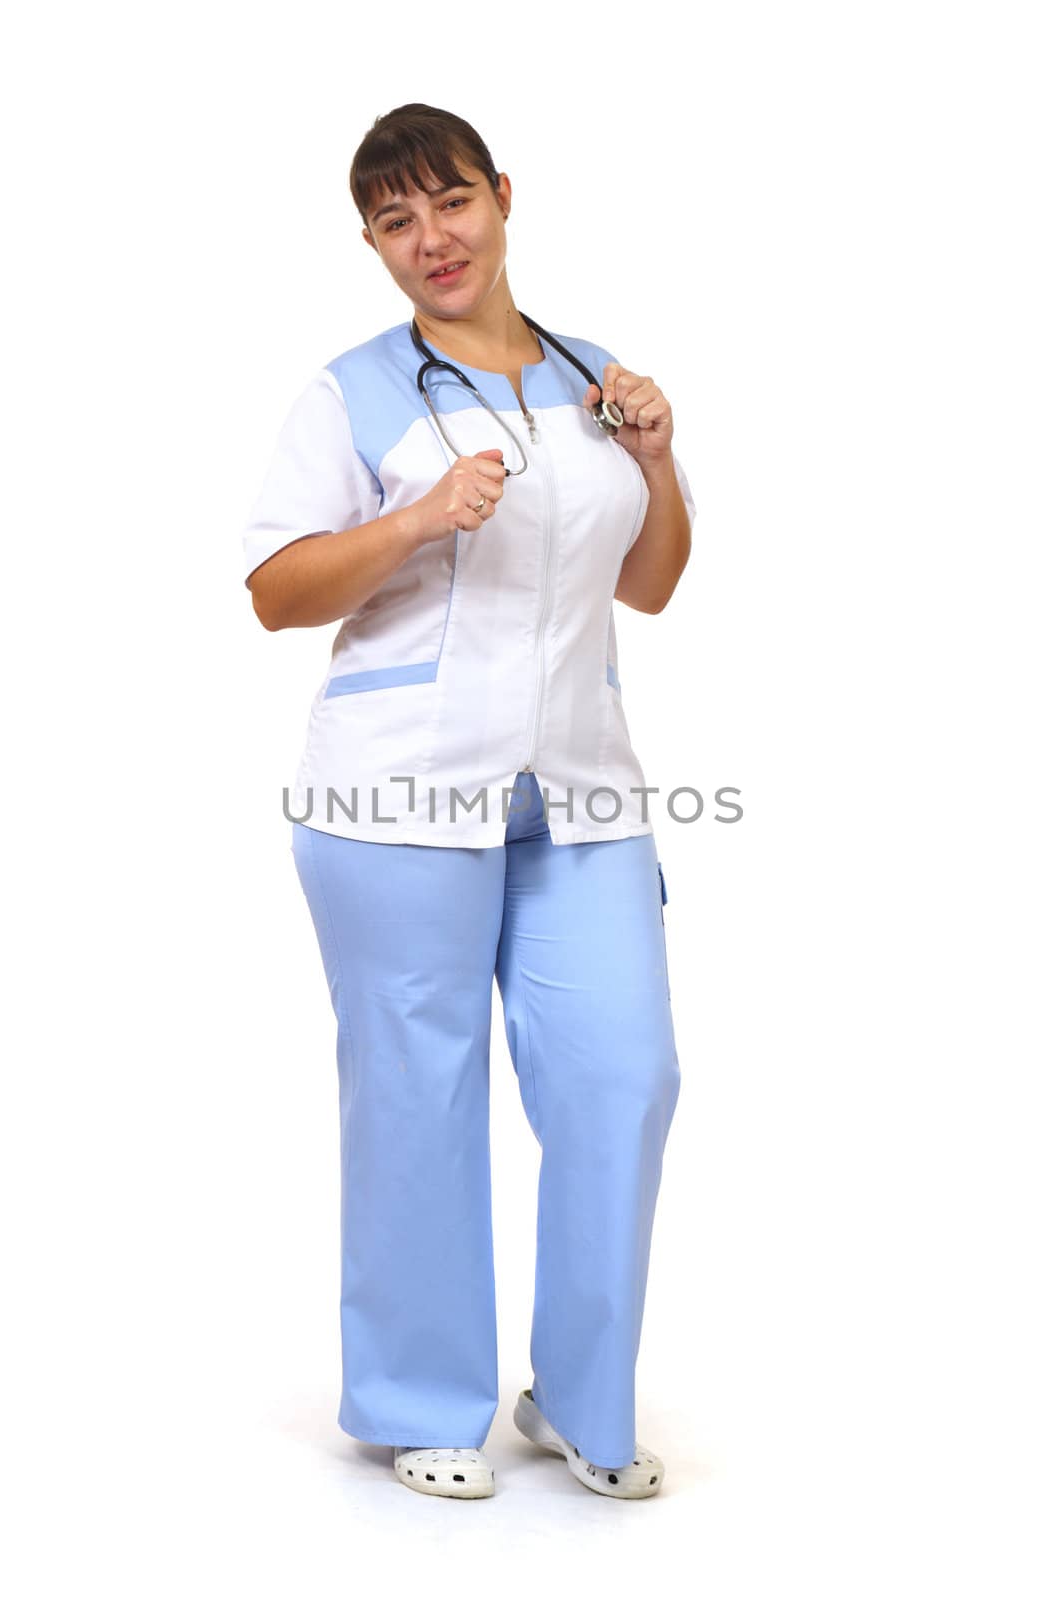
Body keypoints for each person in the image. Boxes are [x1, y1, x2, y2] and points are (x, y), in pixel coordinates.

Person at [241, 103, 697, 1501]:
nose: (428, 240)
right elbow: (275, 593)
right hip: (392, 801)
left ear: (501, 197)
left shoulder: (595, 376)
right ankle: (420, 1399)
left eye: (447, 203)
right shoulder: (352, 394)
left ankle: (576, 1399)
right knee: (417, 1098)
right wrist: (416, 519)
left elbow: (656, 580)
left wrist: (660, 453)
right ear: (375, 243)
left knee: (625, 1076)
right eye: (393, 221)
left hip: (578, 797)